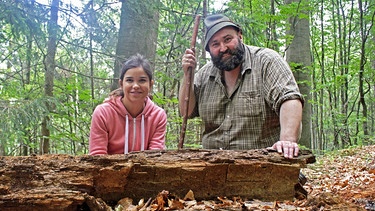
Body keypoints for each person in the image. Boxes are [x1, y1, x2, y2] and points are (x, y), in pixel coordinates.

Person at [179, 14, 304, 159]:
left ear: (240, 36)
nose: (223, 48)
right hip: (212, 167)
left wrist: (287, 141)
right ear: (209, 50)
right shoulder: (203, 75)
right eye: (215, 44)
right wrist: (188, 75)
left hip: (263, 165)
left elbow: (289, 99)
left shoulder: (267, 61)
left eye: (227, 39)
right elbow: (186, 112)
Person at [89, 54, 167, 155]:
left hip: (146, 169)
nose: (135, 86)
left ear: (150, 84)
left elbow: (155, 156)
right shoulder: (103, 113)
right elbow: (97, 156)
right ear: (121, 84)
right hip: (108, 169)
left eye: (142, 80)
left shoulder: (158, 116)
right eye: (129, 80)